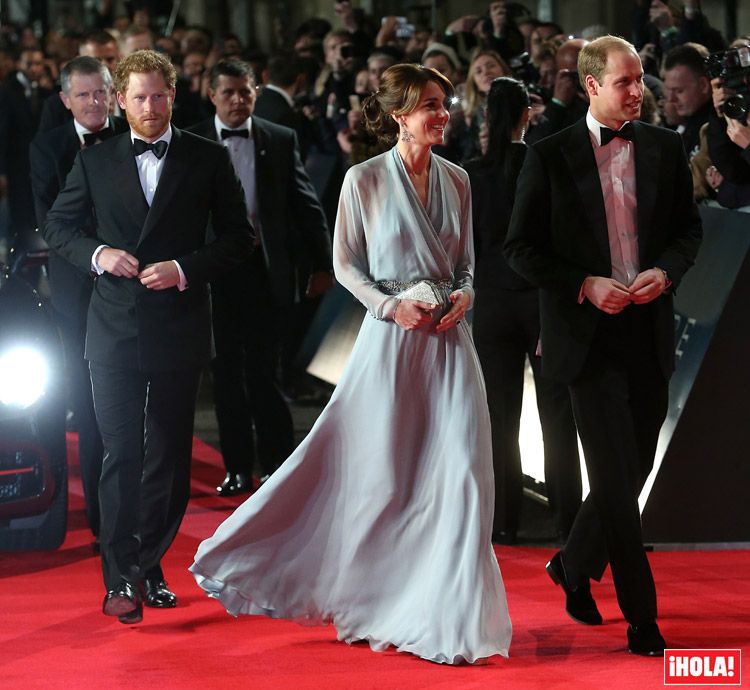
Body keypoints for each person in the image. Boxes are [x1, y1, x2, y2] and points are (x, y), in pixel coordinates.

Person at [191, 63, 512, 665]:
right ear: (399, 114)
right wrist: (393, 308)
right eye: (430, 105)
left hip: (449, 346)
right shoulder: (362, 181)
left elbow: (467, 265)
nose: (443, 114)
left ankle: (453, 615)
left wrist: (465, 296)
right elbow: (345, 266)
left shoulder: (459, 180)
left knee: (463, 477)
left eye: (445, 104)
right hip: (390, 348)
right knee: (384, 479)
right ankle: (379, 593)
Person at [505, 35, 702, 656]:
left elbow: (687, 231)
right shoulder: (549, 155)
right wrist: (584, 285)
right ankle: (643, 617)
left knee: (637, 463)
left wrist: (665, 273)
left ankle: (574, 561)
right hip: (584, 338)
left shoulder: (668, 148)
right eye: (625, 82)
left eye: (640, 79)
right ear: (591, 85)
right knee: (615, 479)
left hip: (646, 329)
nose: (638, 90)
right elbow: (521, 248)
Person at [43, 49, 253, 624]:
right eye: (138, 97)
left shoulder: (205, 158)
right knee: (120, 454)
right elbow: (57, 228)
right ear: (120, 100)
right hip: (111, 329)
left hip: (178, 326)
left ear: (174, 96)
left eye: (159, 96)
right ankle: (120, 580)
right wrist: (100, 253)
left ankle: (147, 566)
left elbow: (239, 238)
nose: (150, 106)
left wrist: (184, 268)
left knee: (167, 458)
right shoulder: (96, 159)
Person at [188, 59, 332, 496]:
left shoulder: (279, 138)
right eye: (228, 92)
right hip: (215, 276)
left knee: (266, 375)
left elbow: (305, 206)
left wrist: (324, 264)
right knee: (226, 375)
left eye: (245, 92)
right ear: (211, 94)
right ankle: (235, 467)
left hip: (266, 273)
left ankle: (275, 467)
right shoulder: (191, 140)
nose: (237, 100)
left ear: (256, 92)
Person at [464, 76, 581, 545]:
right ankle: (566, 520)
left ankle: (502, 521)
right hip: (539, 303)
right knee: (557, 414)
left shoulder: (468, 173)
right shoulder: (543, 163)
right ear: (526, 115)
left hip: (490, 304)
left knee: (499, 416)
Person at [29, 56, 129, 545]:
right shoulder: (46, 148)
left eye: (102, 92)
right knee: (91, 406)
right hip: (79, 291)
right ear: (65, 100)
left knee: (141, 403)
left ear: (114, 94)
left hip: (137, 286)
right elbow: (51, 221)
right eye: (84, 94)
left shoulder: (137, 139)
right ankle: (101, 520)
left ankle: (139, 513)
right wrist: (104, 251)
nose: (95, 102)